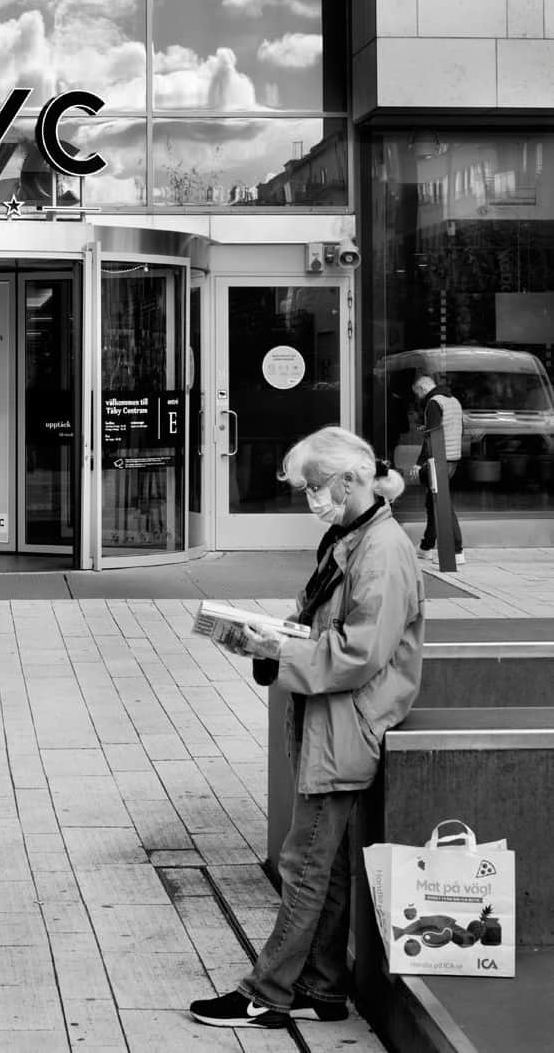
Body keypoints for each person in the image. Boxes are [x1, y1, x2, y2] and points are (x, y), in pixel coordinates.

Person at [190, 427, 425, 1030]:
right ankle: (321, 988)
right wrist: (270, 637)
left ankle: (267, 992)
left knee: (304, 864)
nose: (309, 499)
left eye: (314, 487)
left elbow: (361, 651)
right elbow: (323, 621)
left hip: (348, 723)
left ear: (350, 481)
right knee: (327, 861)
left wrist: (284, 653)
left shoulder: (382, 549)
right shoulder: (351, 536)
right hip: (334, 719)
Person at [412, 373, 464, 566]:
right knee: (433, 501)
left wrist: (420, 462)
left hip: (440, 459)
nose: (418, 398)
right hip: (453, 458)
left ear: (422, 388)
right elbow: (455, 428)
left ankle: (456, 551)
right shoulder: (453, 401)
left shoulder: (433, 402)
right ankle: (426, 547)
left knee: (442, 505)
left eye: (417, 394)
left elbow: (432, 436)